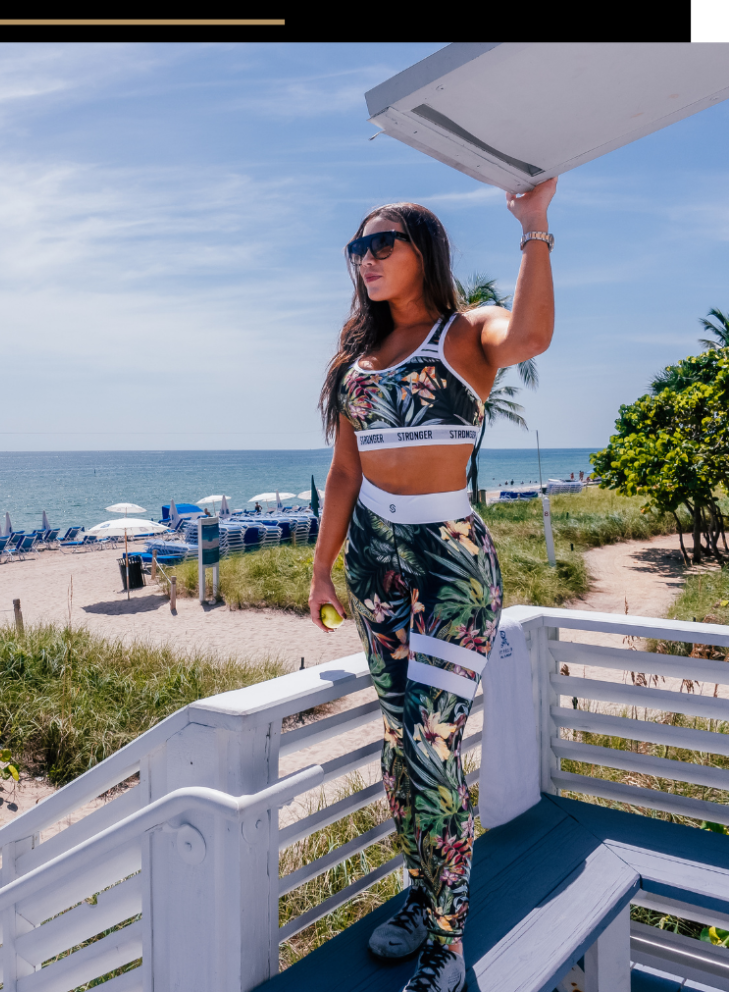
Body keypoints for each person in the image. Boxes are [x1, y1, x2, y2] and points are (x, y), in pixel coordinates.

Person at [309, 181, 556, 991]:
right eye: (358, 249)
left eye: (383, 245)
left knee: (432, 744)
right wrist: (319, 568)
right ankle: (422, 892)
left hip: (450, 565)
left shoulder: (464, 334)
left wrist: (534, 229)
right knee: (395, 744)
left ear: (425, 251)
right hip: (374, 563)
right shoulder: (356, 360)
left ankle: (449, 940)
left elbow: (531, 334)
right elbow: (344, 473)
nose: (367, 260)